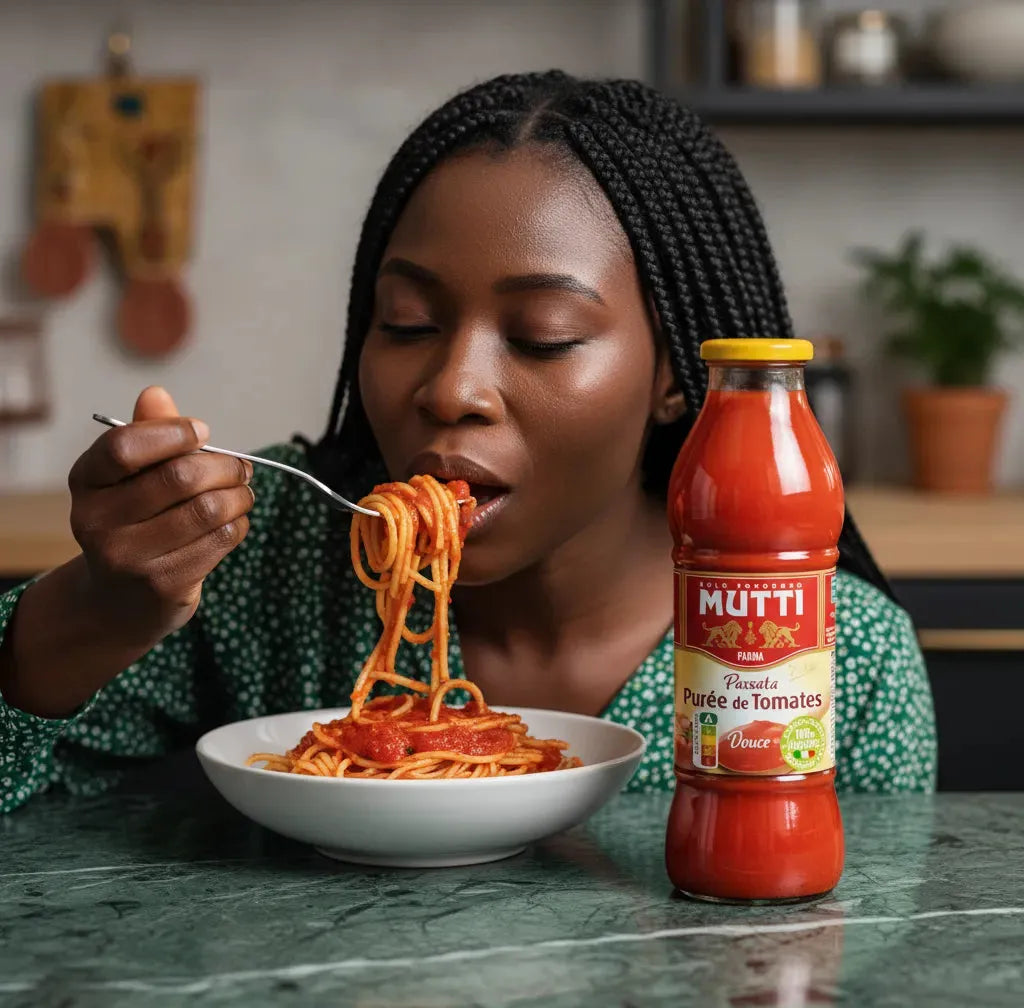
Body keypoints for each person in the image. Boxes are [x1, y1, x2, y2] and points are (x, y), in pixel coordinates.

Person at [0, 72, 936, 813]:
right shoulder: (262, 552)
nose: (450, 389)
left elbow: (860, 950)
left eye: (543, 337)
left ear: (673, 378)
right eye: (407, 323)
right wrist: (96, 606)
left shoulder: (829, 655)